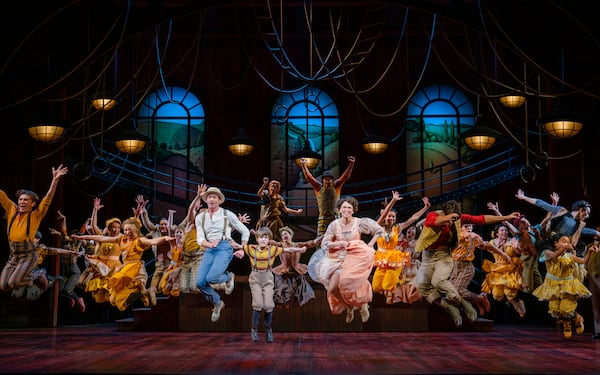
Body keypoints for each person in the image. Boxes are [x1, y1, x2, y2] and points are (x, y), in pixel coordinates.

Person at [414, 199, 520, 328]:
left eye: (466, 224)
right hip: (443, 260)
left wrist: (507, 217)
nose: (465, 226)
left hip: (460, 264)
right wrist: (448, 218)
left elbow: (482, 221)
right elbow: (431, 222)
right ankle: (471, 305)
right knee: (446, 293)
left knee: (455, 289)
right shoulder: (437, 216)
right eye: (465, 226)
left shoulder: (471, 235)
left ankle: (477, 301)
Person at [71, 217, 175, 311]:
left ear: (135, 230)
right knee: (113, 300)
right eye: (125, 230)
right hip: (124, 269)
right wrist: (82, 237)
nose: (127, 232)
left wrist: (165, 238)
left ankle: (145, 292)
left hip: (136, 270)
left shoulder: (139, 240)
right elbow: (102, 238)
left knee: (130, 289)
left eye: (129, 230)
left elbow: (153, 241)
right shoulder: (121, 239)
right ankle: (143, 294)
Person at [309, 196, 384, 323]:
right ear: (339, 209)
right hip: (338, 259)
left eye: (349, 207)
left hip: (355, 259)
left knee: (350, 283)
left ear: (353, 210)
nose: (347, 210)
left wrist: (370, 244)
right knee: (332, 288)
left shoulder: (359, 222)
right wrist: (339, 244)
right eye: (344, 207)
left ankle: (362, 305)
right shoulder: (334, 225)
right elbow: (325, 243)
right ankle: (348, 307)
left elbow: (379, 230)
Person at [0, 164, 68, 292]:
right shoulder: (12, 210)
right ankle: (35, 278)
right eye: (20, 200)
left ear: (33, 203)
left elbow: (48, 198)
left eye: (26, 200)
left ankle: (37, 277)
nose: (22, 202)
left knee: (14, 283)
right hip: (14, 253)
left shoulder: (36, 215)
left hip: (28, 254)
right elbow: (1, 195)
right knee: (3, 285)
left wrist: (55, 180)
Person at [232, 226, 306, 342]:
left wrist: (299, 250)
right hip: (255, 277)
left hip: (267, 277)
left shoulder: (272, 249)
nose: (263, 240)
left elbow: (288, 250)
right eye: (261, 238)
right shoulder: (251, 248)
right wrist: (231, 241)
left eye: (265, 238)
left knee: (268, 305)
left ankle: (268, 330)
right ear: (257, 239)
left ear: (269, 239)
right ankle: (254, 329)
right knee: (257, 304)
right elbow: (238, 246)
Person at [195, 186, 251, 322]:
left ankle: (228, 277)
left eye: (215, 197)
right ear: (206, 200)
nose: (212, 199)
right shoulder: (200, 217)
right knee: (200, 282)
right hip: (210, 248)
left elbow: (245, 231)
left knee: (212, 277)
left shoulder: (227, 214)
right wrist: (209, 244)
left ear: (219, 200)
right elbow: (200, 238)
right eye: (209, 197)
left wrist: (242, 248)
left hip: (224, 247)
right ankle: (217, 303)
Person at [532, 232, 595, 338]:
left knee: (566, 308)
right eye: (564, 242)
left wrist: (589, 252)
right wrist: (565, 248)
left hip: (568, 284)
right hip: (552, 285)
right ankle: (577, 317)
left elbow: (583, 261)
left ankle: (568, 323)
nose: (567, 244)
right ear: (556, 243)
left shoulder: (569, 256)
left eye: (568, 242)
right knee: (555, 309)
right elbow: (554, 257)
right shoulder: (547, 252)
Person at [372, 191, 430, 304]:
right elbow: (383, 215)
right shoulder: (378, 226)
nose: (392, 218)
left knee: (387, 285)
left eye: (393, 217)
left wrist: (425, 208)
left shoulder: (397, 228)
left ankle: (396, 288)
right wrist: (393, 201)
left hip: (394, 259)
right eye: (389, 216)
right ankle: (392, 287)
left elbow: (413, 218)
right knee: (375, 287)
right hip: (382, 260)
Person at [449, 223, 510, 316]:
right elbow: (467, 235)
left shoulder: (474, 239)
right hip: (455, 266)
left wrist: (503, 254)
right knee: (450, 293)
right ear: (461, 228)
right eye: (466, 226)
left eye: (470, 226)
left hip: (466, 267)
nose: (469, 227)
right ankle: (477, 303)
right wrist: (474, 235)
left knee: (458, 289)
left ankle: (480, 299)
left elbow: (488, 246)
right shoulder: (459, 235)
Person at [480, 223, 527, 318]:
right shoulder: (493, 242)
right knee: (497, 295)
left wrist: (517, 247)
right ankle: (511, 302)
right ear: (497, 233)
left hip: (511, 268)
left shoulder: (512, 240)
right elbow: (486, 247)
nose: (505, 232)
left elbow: (519, 251)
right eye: (502, 230)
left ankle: (519, 303)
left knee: (510, 293)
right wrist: (481, 244)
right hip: (498, 268)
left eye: (506, 230)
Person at [300, 155, 355, 236]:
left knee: (337, 238)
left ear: (332, 180)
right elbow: (309, 177)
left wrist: (351, 163)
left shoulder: (336, 186)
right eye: (326, 179)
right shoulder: (318, 187)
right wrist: (303, 165)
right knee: (321, 239)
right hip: (323, 218)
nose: (328, 180)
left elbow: (345, 176)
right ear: (323, 180)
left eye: (329, 179)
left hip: (335, 217)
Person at [269, 226, 322, 306]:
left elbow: (313, 243)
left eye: (286, 234)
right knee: (281, 287)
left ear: (291, 235)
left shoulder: (298, 245)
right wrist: (257, 235)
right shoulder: (280, 245)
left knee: (298, 288)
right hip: (284, 271)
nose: (284, 236)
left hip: (296, 270)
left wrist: (325, 235)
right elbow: (270, 242)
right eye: (282, 235)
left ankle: (292, 302)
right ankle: (281, 301)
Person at [587, 228, 600, 340]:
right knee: (595, 305)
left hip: (598, 275)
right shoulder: (590, 246)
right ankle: (598, 331)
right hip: (592, 276)